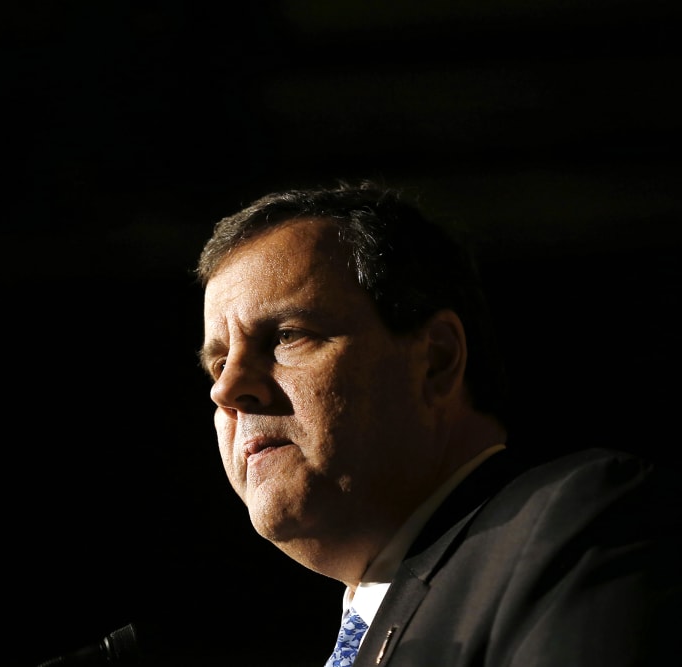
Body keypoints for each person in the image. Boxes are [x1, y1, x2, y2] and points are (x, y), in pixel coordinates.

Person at [195, 179, 682, 666]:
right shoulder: (377, 619)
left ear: (436, 360)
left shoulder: (574, 522)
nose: (226, 390)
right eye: (217, 364)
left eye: (287, 335)